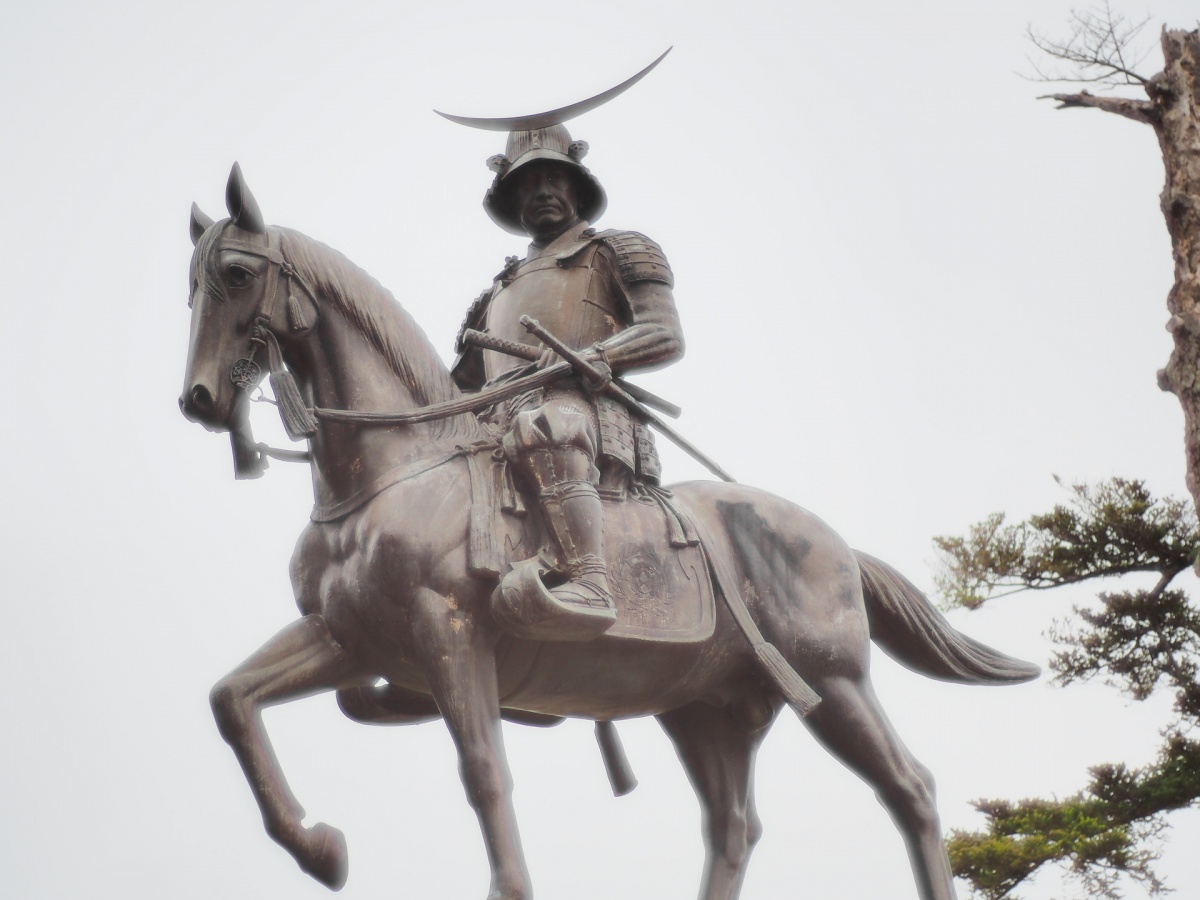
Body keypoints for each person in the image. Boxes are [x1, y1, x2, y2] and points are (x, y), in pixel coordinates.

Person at [451, 123, 684, 638]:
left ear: (576, 186)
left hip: (584, 413)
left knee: (547, 425)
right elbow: (459, 391)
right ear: (512, 201)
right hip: (498, 425)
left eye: (553, 179)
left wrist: (601, 355)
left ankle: (590, 580)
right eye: (525, 186)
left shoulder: (617, 249)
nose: (540, 193)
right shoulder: (494, 295)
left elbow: (664, 333)